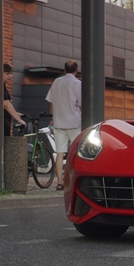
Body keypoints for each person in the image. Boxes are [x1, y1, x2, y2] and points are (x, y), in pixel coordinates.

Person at [46, 60, 82, 190]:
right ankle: (72, 180)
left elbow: (51, 102)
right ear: (76, 69)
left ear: (65, 69)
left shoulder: (56, 82)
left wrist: (52, 118)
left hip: (59, 122)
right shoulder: (78, 84)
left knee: (60, 153)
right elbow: (81, 104)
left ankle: (60, 182)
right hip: (74, 123)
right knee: (76, 153)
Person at [3, 63, 26, 136]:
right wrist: (18, 120)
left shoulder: (2, 86)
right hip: (1, 124)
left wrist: (16, 113)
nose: (10, 76)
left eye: (11, 73)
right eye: (7, 73)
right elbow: (6, 104)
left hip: (4, 123)